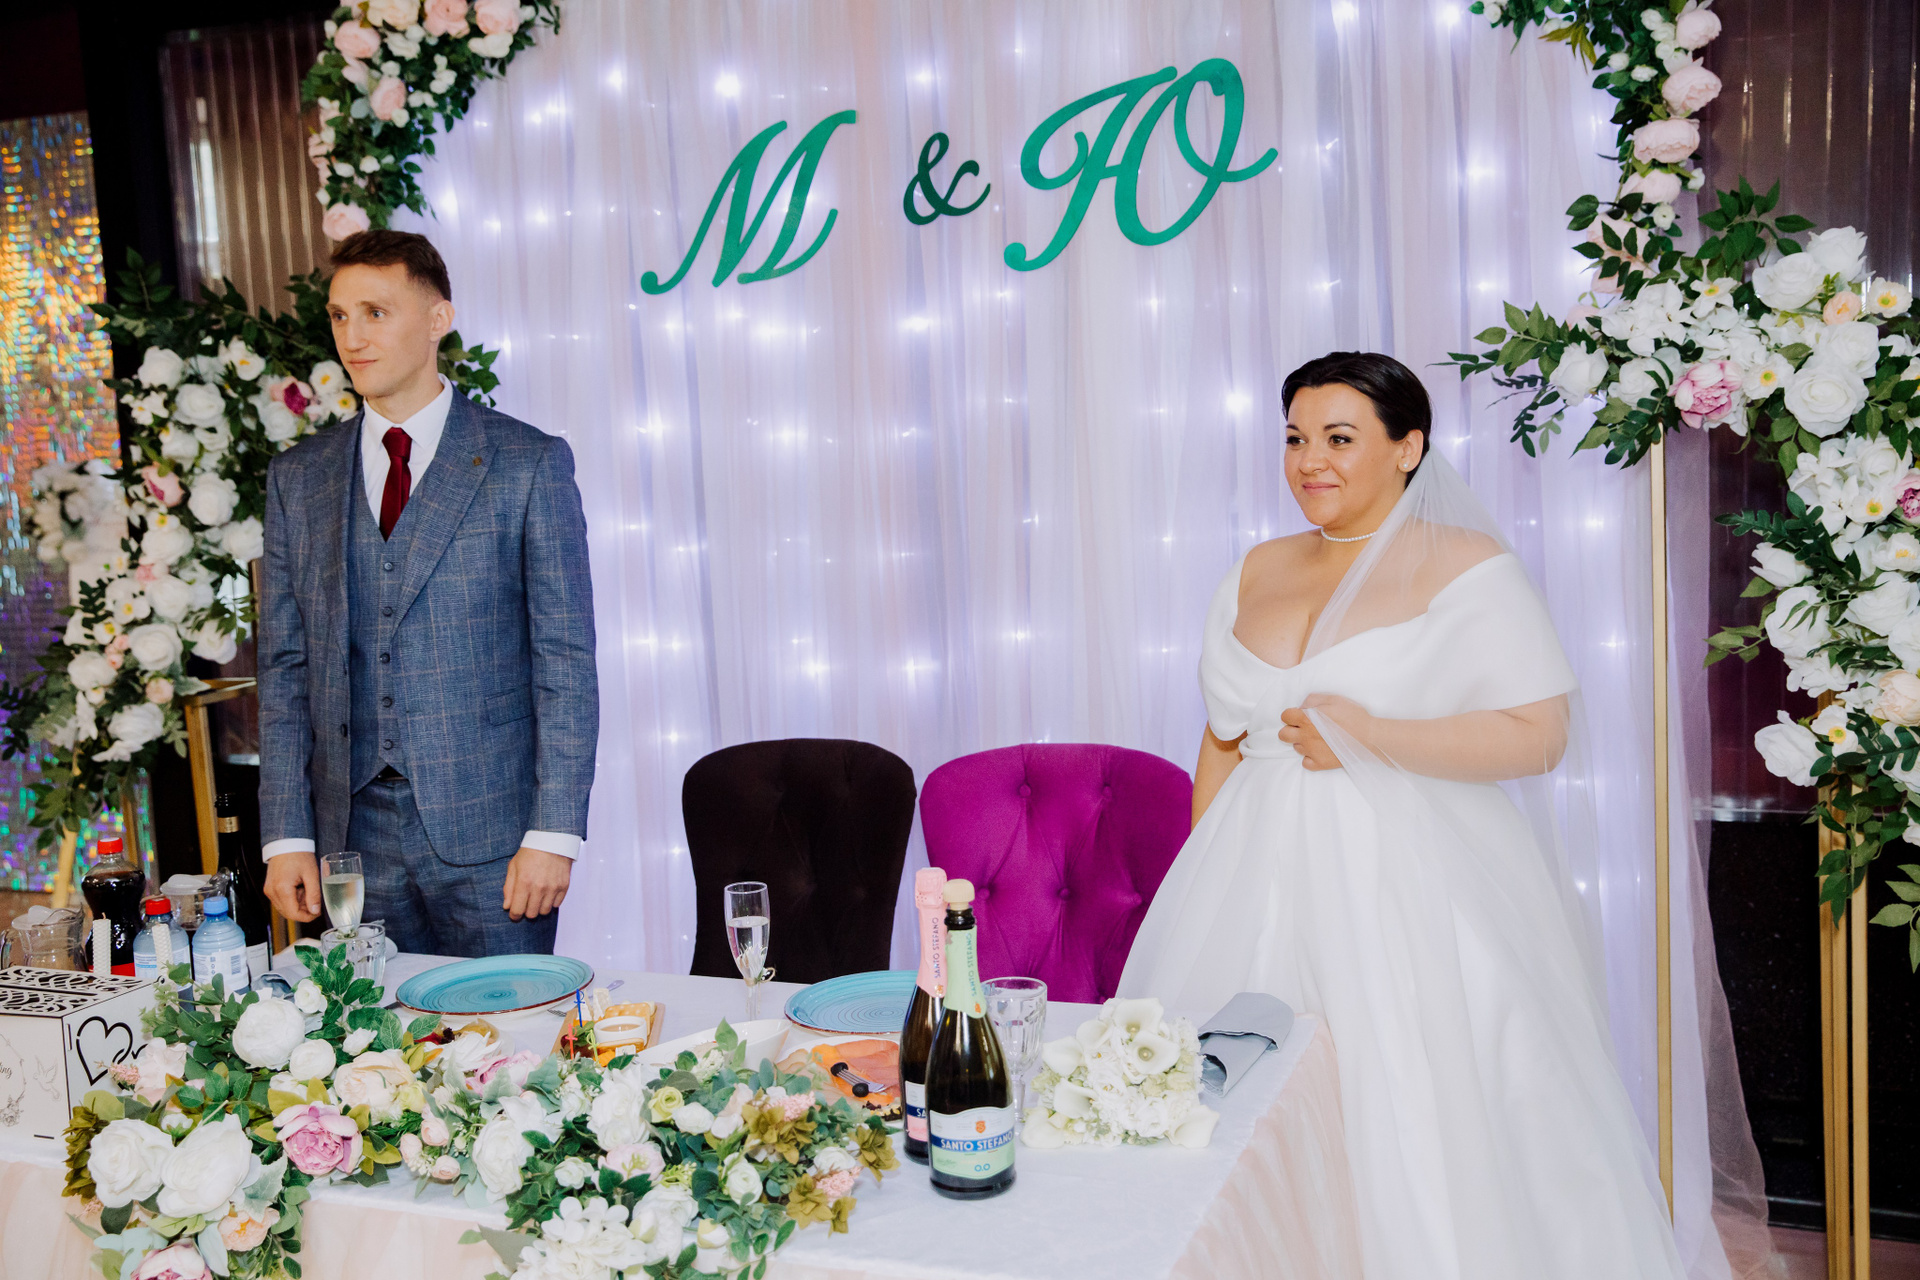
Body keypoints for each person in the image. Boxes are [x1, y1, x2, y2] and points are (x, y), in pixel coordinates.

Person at [1119, 352, 1686, 1278]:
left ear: (1408, 448)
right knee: (1232, 1111)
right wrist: (1203, 875)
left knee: (1411, 1105)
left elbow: (1540, 734)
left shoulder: (1467, 566)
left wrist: (1372, 737)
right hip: (1248, 876)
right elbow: (1222, 739)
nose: (1310, 461)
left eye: (1340, 438)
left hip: (1407, 881)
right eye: (1295, 439)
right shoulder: (1256, 567)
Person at [258, 229, 598, 957]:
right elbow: (285, 670)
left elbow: (565, 663)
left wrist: (553, 834)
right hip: (348, 845)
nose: (352, 337)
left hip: (494, 839)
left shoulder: (527, 463)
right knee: (367, 1033)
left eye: (375, 313)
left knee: (509, 1027)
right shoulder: (299, 479)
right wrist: (286, 836)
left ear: (438, 318)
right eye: (340, 316)